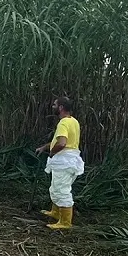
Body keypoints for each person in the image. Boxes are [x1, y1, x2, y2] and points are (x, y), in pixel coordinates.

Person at [35, 96, 84, 229]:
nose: (53, 107)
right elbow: (61, 141)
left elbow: (61, 143)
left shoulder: (63, 123)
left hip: (64, 161)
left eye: (55, 105)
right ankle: (56, 212)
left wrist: (52, 153)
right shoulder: (73, 121)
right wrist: (45, 147)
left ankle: (65, 222)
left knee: (61, 190)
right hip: (70, 160)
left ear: (61, 107)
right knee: (56, 187)